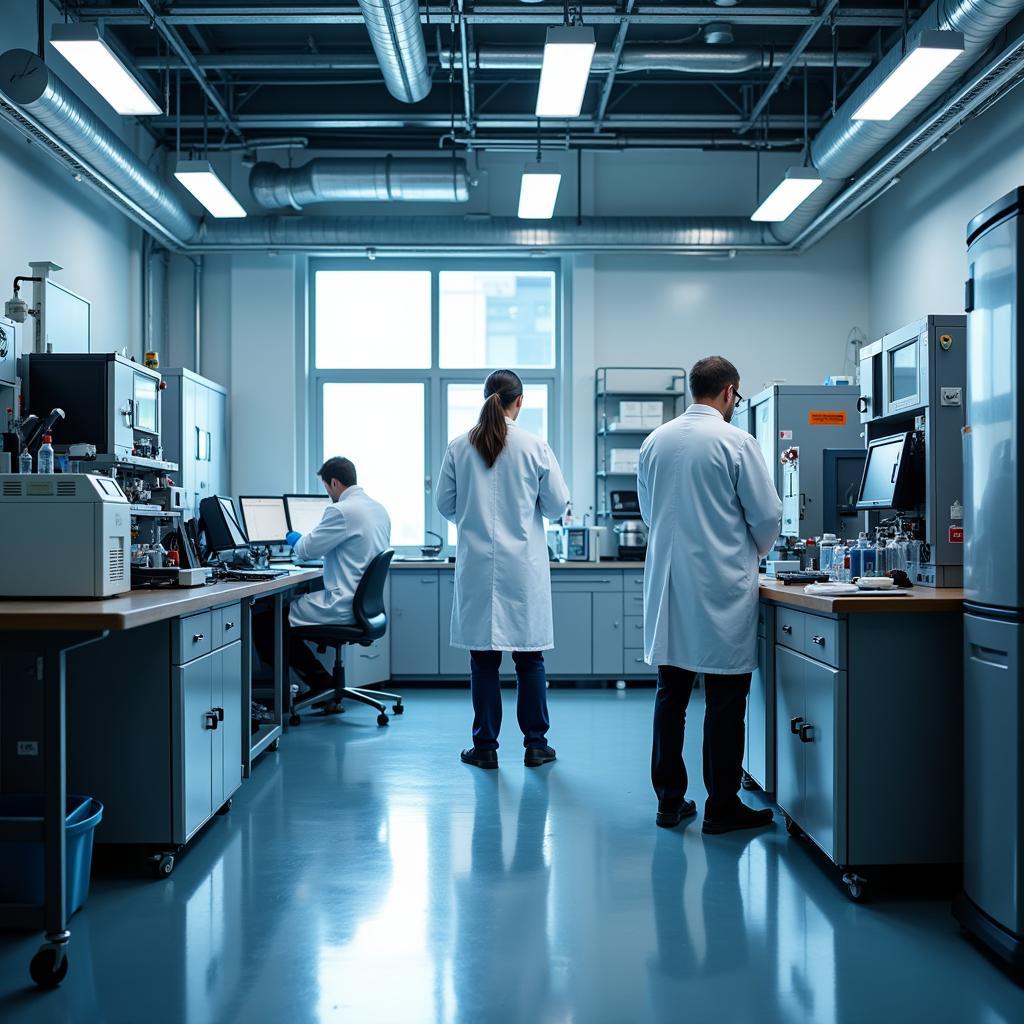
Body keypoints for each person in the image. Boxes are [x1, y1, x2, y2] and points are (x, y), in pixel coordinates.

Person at [638, 356, 782, 834]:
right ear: (729, 393)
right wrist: (750, 554)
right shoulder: (737, 442)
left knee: (671, 696)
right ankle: (722, 806)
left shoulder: (654, 441)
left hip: (671, 585)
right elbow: (765, 518)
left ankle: (669, 801)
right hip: (721, 585)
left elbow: (649, 512)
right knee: (725, 700)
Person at [436, 369, 571, 770]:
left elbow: (445, 506)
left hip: (478, 568)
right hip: (523, 569)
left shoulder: (459, 447)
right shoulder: (535, 446)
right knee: (530, 660)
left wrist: (473, 513)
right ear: (520, 401)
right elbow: (557, 505)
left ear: (485, 398)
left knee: (484, 662)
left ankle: (486, 747)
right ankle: (535, 745)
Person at [254, 457, 391, 696]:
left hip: (343, 604)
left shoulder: (341, 510)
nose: (328, 493)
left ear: (335, 482)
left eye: (327, 487)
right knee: (280, 616)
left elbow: (307, 550)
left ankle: (314, 686)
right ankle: (319, 682)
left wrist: (293, 537)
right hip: (365, 605)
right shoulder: (377, 508)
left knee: (266, 623)